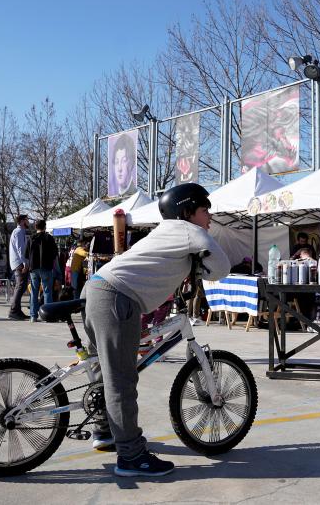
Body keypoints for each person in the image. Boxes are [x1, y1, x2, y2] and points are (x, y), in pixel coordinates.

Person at [81, 183, 230, 477]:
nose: (209, 216)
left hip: (96, 289)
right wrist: (200, 263)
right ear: (186, 212)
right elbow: (222, 267)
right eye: (204, 210)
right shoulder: (190, 231)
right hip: (116, 298)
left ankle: (105, 431)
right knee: (121, 378)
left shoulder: (162, 233)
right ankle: (132, 457)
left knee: (102, 369)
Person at [27, 219, 58, 323]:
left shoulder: (31, 238)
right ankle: (47, 316)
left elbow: (26, 254)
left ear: (36, 227)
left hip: (33, 268)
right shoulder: (49, 238)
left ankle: (33, 316)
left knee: (34, 292)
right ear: (45, 227)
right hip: (46, 267)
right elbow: (54, 253)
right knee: (47, 292)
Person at [8, 215, 30, 320]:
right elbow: (20, 249)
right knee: (20, 286)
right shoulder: (19, 232)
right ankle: (13, 311)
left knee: (21, 286)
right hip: (19, 263)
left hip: (17, 262)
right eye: (27, 220)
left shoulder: (19, 232)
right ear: (22, 221)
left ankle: (17, 310)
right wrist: (24, 263)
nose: (28, 222)